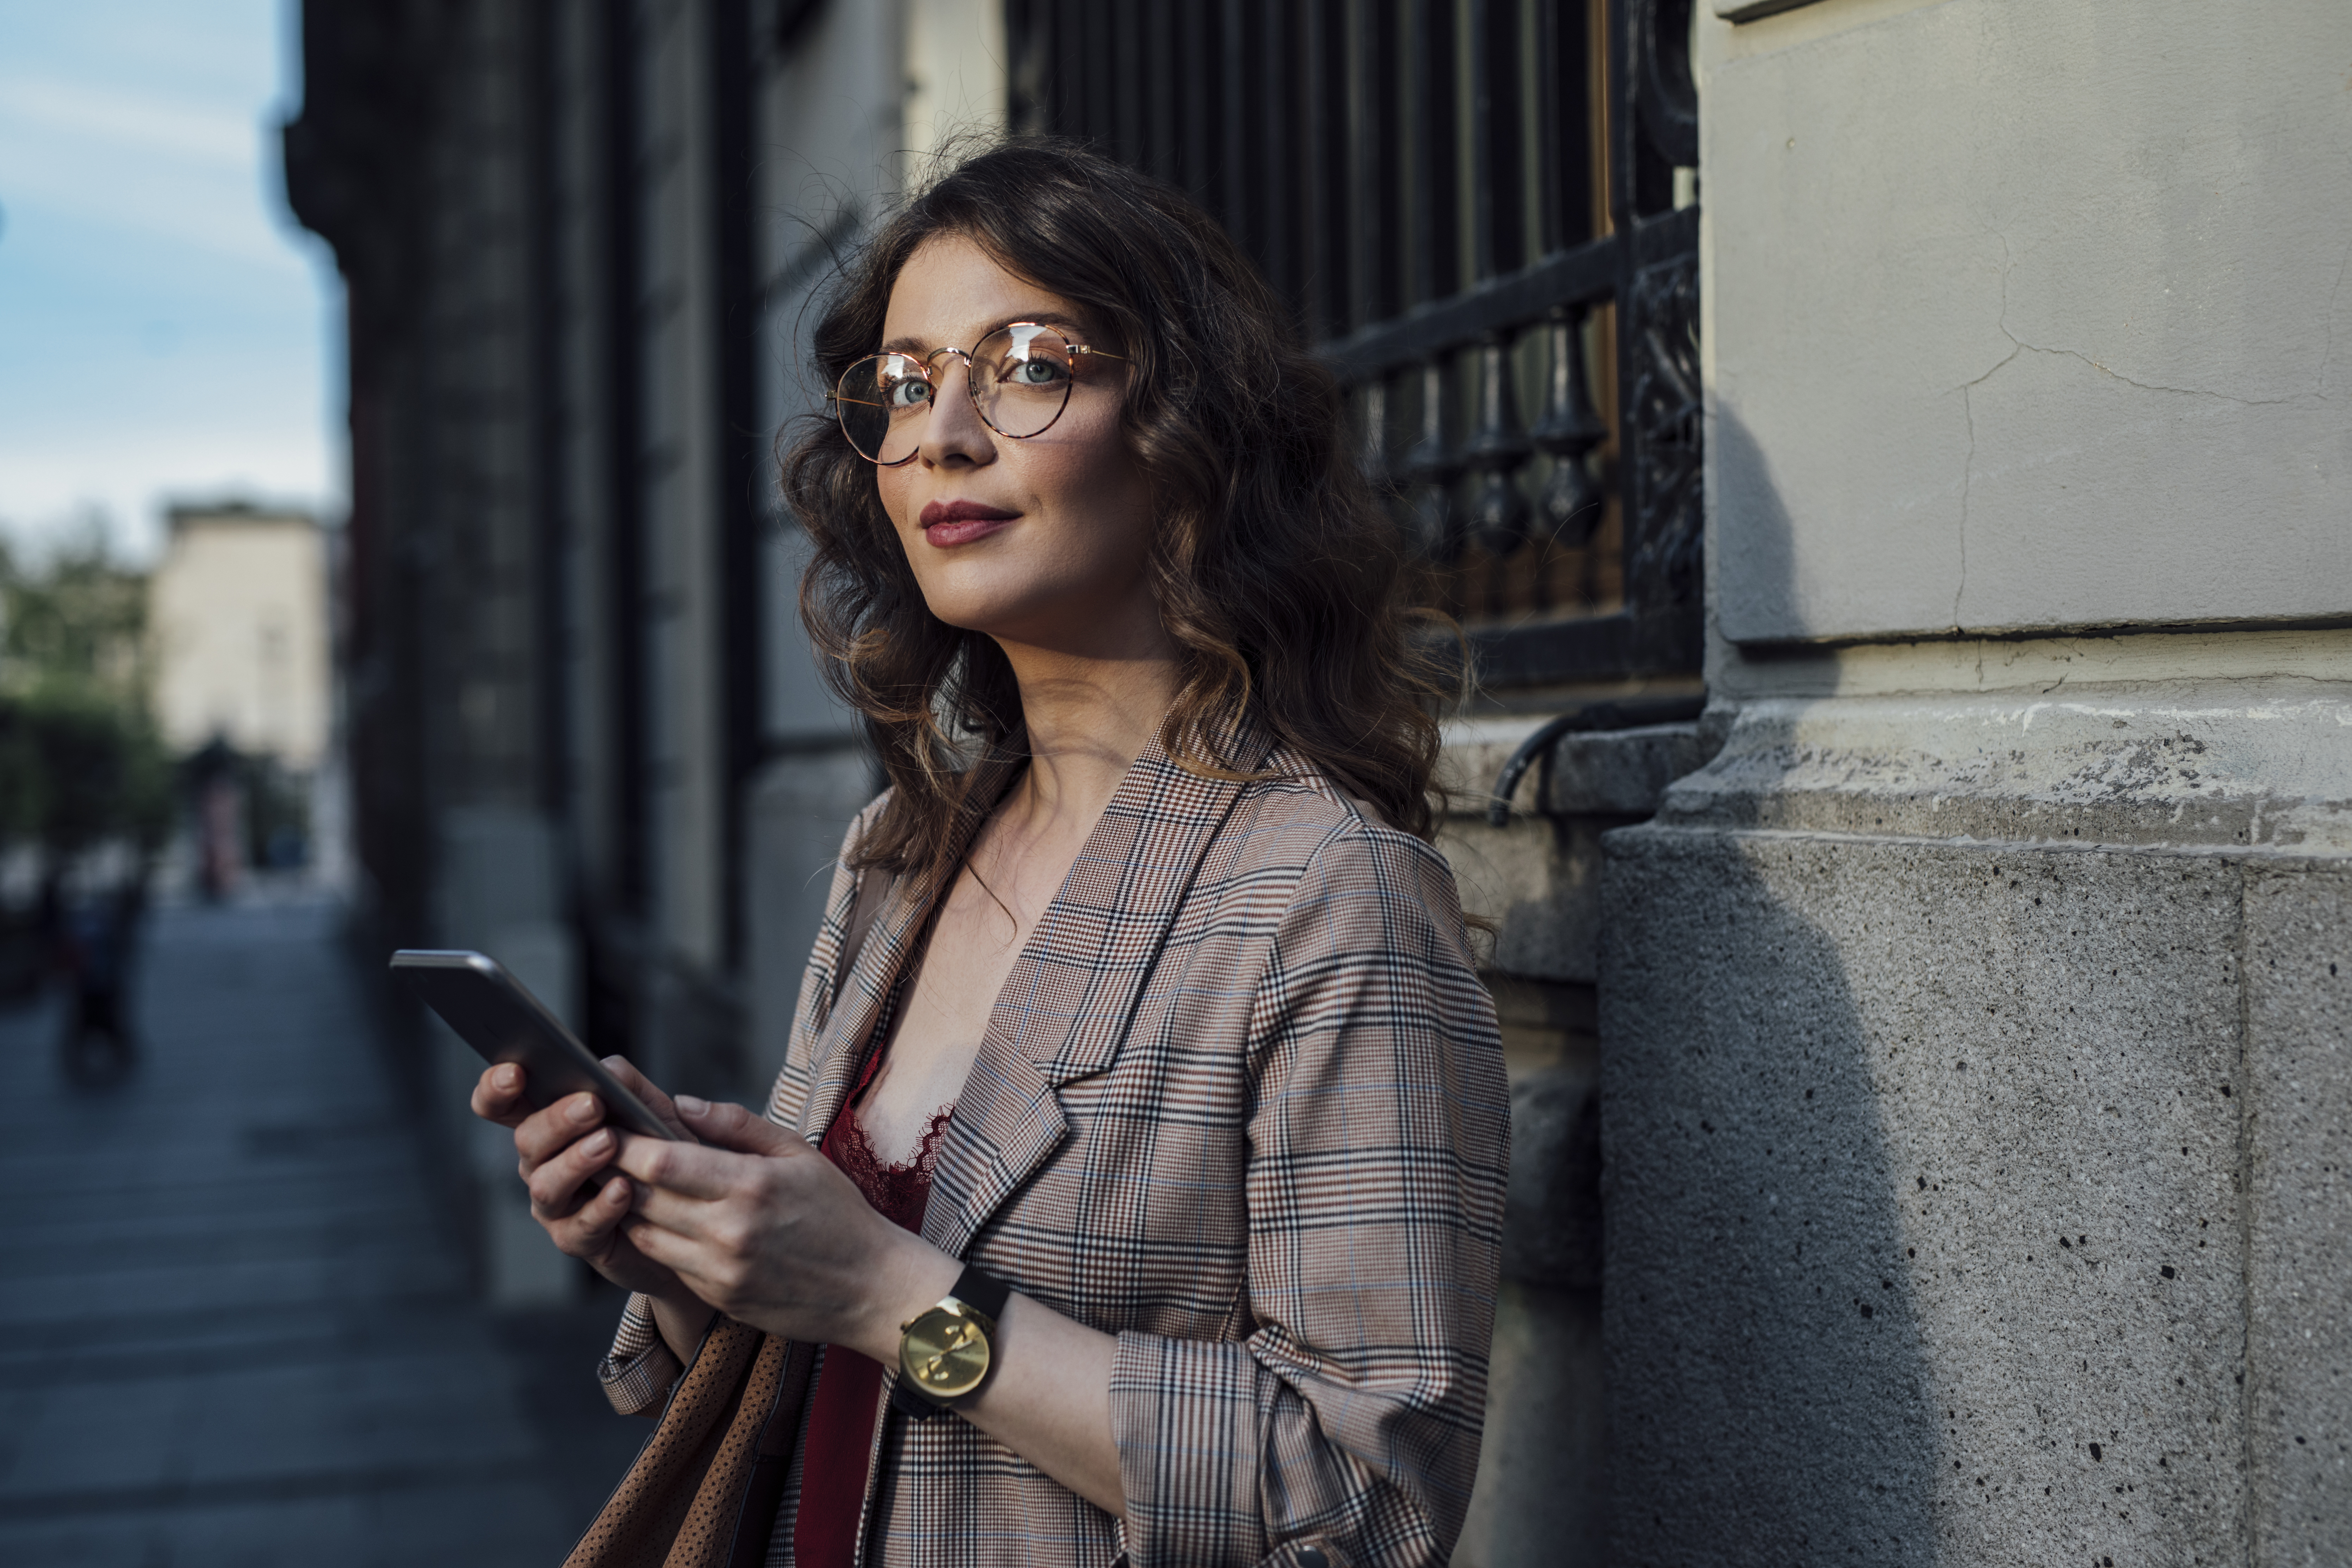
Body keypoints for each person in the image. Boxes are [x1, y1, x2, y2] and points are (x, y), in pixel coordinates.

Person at [472, 138, 1509, 1568]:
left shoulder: (1329, 894)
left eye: (1025, 363)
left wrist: (898, 1300)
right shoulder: (898, 854)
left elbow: (1362, 1500)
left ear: (1185, 427)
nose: (940, 433)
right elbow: (822, 1342)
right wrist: (684, 1252)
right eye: (902, 384)